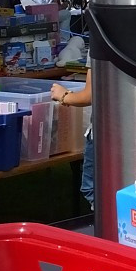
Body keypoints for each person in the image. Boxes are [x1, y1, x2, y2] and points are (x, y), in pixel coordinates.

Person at [50, 71, 93, 207]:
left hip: (105, 134)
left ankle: (110, 224)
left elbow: (90, 95)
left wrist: (64, 96)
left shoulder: (101, 48)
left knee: (93, 189)